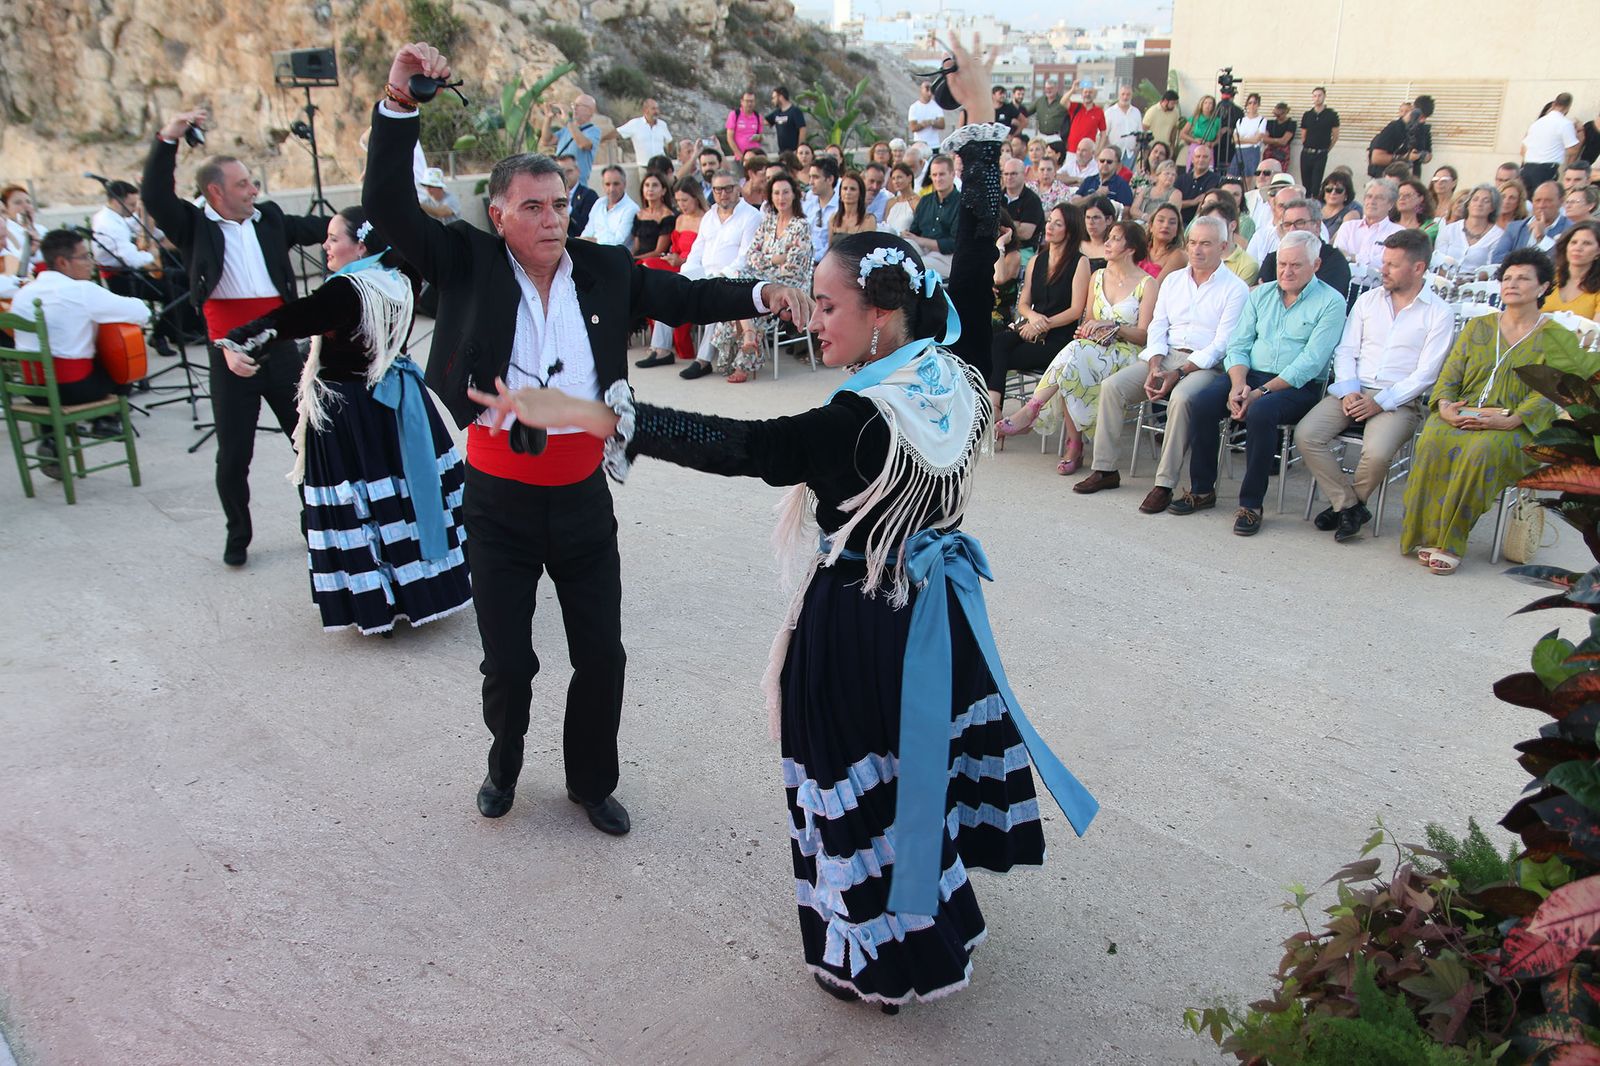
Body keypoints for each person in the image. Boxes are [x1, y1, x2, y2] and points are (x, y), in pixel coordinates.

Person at [467, 42, 1097, 1008]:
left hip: (859, 622)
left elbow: (737, 445)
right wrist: (976, 127)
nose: (818, 322)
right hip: (935, 607)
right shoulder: (954, 368)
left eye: (832, 305)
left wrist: (597, 416)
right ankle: (932, 929)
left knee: (856, 784)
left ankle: (879, 962)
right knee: (913, 771)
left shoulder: (852, 423)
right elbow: (973, 255)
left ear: (883, 315)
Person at [366, 41, 813, 831]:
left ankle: (589, 782)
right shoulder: (465, 261)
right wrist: (401, 103)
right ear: (497, 213)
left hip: (579, 499)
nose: (551, 219)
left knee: (601, 655)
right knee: (509, 662)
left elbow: (681, 295)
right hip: (497, 500)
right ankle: (503, 764)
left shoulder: (604, 269)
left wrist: (760, 289)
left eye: (559, 203)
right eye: (532, 207)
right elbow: (391, 207)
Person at [218, 206, 471, 635]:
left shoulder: (349, 290)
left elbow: (292, 318)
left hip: (351, 412)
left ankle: (384, 603)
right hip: (396, 401)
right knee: (408, 493)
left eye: (335, 238)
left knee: (364, 503)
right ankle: (424, 589)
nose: (326, 245)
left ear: (361, 245)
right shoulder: (398, 275)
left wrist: (238, 340)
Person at [141, 108, 328, 567]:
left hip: (281, 347)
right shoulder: (193, 225)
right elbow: (154, 195)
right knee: (233, 455)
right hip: (230, 351)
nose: (253, 190)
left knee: (309, 442)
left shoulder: (270, 219)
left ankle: (318, 523)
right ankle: (237, 534)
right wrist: (169, 138)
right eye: (243, 184)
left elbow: (324, 227)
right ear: (215, 191)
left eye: (252, 182)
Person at [1401, 248, 1594, 574]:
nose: (1512, 284)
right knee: (1433, 436)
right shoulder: (1478, 327)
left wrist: (1515, 417)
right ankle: (1427, 533)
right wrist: (1445, 407)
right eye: (1507, 278)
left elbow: (1553, 392)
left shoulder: (1556, 337)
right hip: (1464, 413)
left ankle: (1451, 541)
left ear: (1544, 286)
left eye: (1523, 278)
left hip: (1519, 427)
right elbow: (1450, 375)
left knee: (1482, 449)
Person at [1072, 214, 1250, 512]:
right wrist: (1155, 363)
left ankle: (1164, 484)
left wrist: (1179, 372)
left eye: (1205, 244)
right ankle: (1105, 469)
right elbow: (1157, 326)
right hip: (1164, 355)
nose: (1197, 250)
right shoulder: (1174, 280)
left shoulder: (1235, 289)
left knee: (1180, 397)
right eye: (1192, 243)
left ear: (1223, 246)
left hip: (1205, 364)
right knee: (1113, 386)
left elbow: (1222, 344)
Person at [1174, 231, 1345, 535]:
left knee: (1261, 412)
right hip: (1249, 375)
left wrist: (1260, 392)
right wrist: (1238, 384)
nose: (1286, 272)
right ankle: (1202, 489)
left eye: (1295, 265)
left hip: (1295, 386)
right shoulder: (1260, 295)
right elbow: (1238, 345)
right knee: (1201, 402)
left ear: (1316, 264)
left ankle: (1251, 504)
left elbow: (1311, 362)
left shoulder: (1331, 302)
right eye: (1282, 264)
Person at [1295, 229, 1459, 542]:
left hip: (1399, 400)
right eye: (1383, 262)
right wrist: (1348, 390)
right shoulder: (1368, 300)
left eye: (1392, 265)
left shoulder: (1439, 313)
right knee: (1307, 434)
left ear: (1418, 268)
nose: (1382, 269)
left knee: (1377, 453)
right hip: (1353, 389)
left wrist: (1380, 401)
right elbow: (1345, 351)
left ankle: (1345, 506)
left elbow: (1426, 374)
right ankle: (1350, 506)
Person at [996, 220, 1157, 474]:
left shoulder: (1148, 284)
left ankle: (1046, 422)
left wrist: (1114, 326)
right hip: (1095, 348)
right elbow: (1090, 320)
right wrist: (1091, 329)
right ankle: (1067, 439)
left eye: (1115, 238)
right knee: (1076, 355)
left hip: (1127, 352)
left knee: (1074, 356)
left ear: (1131, 248)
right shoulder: (1098, 276)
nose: (1107, 242)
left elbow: (1144, 335)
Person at [10, 229, 150, 453]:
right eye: (84, 257)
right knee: (123, 363)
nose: (91, 263)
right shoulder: (81, 291)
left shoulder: (24, 293)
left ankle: (52, 439)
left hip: (32, 390)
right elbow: (141, 312)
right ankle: (106, 419)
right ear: (63, 262)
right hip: (73, 389)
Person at [706, 172, 813, 382]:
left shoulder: (801, 225)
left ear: (794, 195)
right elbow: (752, 256)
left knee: (752, 295)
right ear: (770, 196)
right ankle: (750, 332)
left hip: (789, 283)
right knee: (737, 284)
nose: (781, 197)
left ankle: (746, 354)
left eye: (785, 192)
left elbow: (794, 265)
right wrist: (776, 258)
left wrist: (768, 259)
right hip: (763, 278)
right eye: (776, 193)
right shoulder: (768, 222)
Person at [985, 201, 1090, 411]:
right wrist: (1033, 318)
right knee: (997, 343)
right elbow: (1023, 303)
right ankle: (994, 408)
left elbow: (1076, 310)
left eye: (1058, 224)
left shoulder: (1080, 262)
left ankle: (993, 410)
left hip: (1058, 336)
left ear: (1070, 230)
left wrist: (1043, 324)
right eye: (1049, 221)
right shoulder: (1036, 260)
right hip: (1029, 328)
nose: (1049, 226)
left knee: (1000, 356)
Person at [677, 169, 765, 379]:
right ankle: (659, 349)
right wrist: (686, 273)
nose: (723, 194)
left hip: (732, 276)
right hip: (705, 271)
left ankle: (703, 360)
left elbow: (745, 257)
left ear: (738, 189)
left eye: (728, 188)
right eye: (718, 189)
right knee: (672, 285)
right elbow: (696, 251)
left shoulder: (751, 216)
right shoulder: (709, 216)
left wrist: (717, 277)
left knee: (713, 293)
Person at [634, 178, 707, 368]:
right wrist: (673, 257)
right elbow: (675, 247)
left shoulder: (706, 219)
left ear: (696, 198)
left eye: (685, 200)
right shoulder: (680, 219)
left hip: (696, 267)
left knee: (663, 287)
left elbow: (706, 253)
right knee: (647, 267)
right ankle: (659, 347)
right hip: (677, 263)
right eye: (678, 201)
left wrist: (681, 260)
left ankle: (661, 348)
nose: (681, 205)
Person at [1259, 198, 1352, 295]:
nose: (1292, 230)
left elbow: (1319, 298)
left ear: (1317, 226)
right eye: (1287, 224)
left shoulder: (1334, 260)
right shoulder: (1272, 259)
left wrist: (1273, 292)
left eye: (1300, 223)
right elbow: (1258, 293)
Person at [1334, 179, 1403, 281]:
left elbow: (1385, 263)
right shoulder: (1348, 227)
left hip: (1376, 288)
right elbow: (1337, 256)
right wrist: (1368, 260)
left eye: (1379, 198)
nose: (1372, 201)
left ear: (1391, 204)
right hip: (1343, 283)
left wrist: (1352, 257)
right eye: (1369, 196)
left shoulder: (1398, 232)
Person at [1432, 184, 1505, 273]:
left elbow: (1490, 270)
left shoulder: (1498, 236)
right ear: (1468, 204)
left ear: (1493, 208)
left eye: (1486, 201)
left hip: (1476, 284)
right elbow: (1438, 261)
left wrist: (1467, 281)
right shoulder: (1449, 230)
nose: (1479, 204)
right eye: (1475, 199)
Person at [906, 154, 960, 274]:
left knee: (915, 265)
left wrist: (921, 241)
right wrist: (908, 235)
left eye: (942, 174)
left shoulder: (961, 204)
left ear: (952, 174)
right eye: (934, 175)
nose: (938, 179)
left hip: (947, 256)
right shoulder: (925, 200)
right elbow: (915, 231)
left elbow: (955, 243)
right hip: (923, 249)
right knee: (902, 250)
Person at [1522, 93, 1580, 193]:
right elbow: (1573, 150)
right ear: (1568, 107)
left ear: (1554, 104)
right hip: (1546, 170)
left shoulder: (1537, 123)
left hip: (1527, 168)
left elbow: (1523, 150)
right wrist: (1578, 135)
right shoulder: (1565, 124)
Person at [539, 94, 602, 185]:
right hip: (560, 182)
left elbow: (583, 144)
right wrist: (548, 118)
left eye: (578, 106)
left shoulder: (594, 131)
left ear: (590, 111)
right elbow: (546, 141)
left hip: (578, 184)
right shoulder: (567, 129)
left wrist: (568, 121)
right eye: (574, 105)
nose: (574, 108)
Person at [1496, 181, 1569, 259]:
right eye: (1538, 200)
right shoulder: (1514, 228)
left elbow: (1563, 261)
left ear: (1561, 201)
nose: (1541, 205)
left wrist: (1542, 239)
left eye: (1548, 201)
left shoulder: (1570, 229)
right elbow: (1497, 257)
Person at [1544, 220, 1600, 318]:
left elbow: (1596, 331)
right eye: (1574, 242)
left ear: (1598, 252)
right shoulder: (1546, 278)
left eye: (1587, 243)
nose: (1577, 248)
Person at [579, 165, 638, 246]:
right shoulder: (599, 203)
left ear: (624, 184)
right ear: (603, 185)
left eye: (616, 184)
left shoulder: (631, 209)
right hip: (593, 252)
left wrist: (594, 241)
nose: (612, 189)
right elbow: (587, 232)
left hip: (616, 256)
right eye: (607, 184)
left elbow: (617, 242)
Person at [1299, 87, 1341, 195]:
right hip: (1306, 153)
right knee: (1305, 184)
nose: (1317, 98)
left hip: (1321, 154)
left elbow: (1335, 136)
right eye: (1315, 96)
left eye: (1319, 95)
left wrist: (1326, 149)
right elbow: (1303, 135)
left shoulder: (1331, 115)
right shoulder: (1307, 115)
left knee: (1316, 184)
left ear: (1324, 96)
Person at [1000, 156, 1044, 249]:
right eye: (1006, 174)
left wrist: (1000, 226)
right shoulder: (996, 198)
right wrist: (1015, 224)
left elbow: (1025, 234)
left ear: (1024, 175)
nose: (1009, 177)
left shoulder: (1032, 200)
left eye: (1013, 174)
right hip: (997, 247)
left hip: (1024, 249)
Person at [803, 156, 841, 264]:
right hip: (804, 262)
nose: (810, 182)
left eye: (815, 177)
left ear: (830, 179)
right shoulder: (807, 205)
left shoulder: (840, 209)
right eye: (810, 177)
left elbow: (832, 245)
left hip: (827, 263)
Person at [630, 170, 675, 260]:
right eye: (647, 185)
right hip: (637, 259)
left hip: (655, 261)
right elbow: (636, 247)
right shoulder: (640, 214)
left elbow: (659, 251)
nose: (650, 189)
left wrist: (634, 259)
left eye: (655, 185)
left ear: (663, 191)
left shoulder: (667, 216)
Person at [2, 185, 46, 275]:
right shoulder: (6, 233)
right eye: (18, 203)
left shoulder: (41, 229)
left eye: (28, 202)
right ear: (6, 209)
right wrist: (30, 251)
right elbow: (12, 264)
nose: (25, 206)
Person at [615, 98, 674, 166]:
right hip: (644, 166)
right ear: (645, 110)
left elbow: (669, 141)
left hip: (661, 166)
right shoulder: (635, 124)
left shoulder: (662, 124)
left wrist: (668, 157)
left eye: (657, 109)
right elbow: (617, 132)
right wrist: (602, 138)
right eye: (653, 109)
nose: (657, 111)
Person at [827, 171, 876, 247]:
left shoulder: (868, 220)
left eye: (852, 189)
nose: (848, 192)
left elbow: (869, 250)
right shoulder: (834, 218)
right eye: (845, 188)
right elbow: (830, 249)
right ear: (840, 193)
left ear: (860, 193)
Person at [558, 154, 599, 237]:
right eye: (561, 172)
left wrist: (567, 207)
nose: (565, 176)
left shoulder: (589, 195)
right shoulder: (552, 197)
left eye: (569, 171)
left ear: (578, 171)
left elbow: (585, 227)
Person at [1144, 202, 1187, 280]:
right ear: (1151, 226)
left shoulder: (1178, 256)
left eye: (1172, 222)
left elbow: (1157, 287)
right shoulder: (1141, 247)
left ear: (1177, 231)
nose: (1166, 225)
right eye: (1161, 220)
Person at [1064, 84, 1108, 157]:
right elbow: (1063, 102)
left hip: (1088, 153)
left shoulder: (1099, 112)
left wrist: (1098, 150)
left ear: (1094, 95)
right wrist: (1072, 90)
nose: (1088, 94)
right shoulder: (1075, 107)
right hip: (1072, 151)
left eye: (1090, 92)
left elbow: (1103, 134)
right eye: (1085, 92)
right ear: (1082, 94)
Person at [1232, 93, 1268, 179]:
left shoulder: (1262, 120)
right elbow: (1234, 139)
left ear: (1258, 105)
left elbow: (1257, 139)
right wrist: (1249, 139)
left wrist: (1240, 139)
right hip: (1239, 151)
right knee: (1231, 177)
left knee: (1247, 179)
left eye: (1255, 103)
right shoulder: (1240, 120)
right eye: (1250, 103)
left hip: (1252, 151)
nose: (1252, 105)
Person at [765, 86, 806, 155]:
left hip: (794, 152)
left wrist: (799, 149)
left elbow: (802, 129)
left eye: (774, 98)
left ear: (780, 97)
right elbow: (764, 122)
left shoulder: (795, 111)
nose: (773, 101)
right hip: (782, 153)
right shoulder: (776, 113)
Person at [907, 81, 946, 152]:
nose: (929, 92)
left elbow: (942, 125)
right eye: (927, 89)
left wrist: (931, 122)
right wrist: (923, 124)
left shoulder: (937, 106)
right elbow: (913, 127)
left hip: (934, 145)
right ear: (921, 90)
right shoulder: (914, 107)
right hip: (919, 144)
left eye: (931, 89)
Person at [725, 90, 764, 158]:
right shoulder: (734, 115)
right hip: (741, 156)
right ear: (742, 102)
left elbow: (760, 136)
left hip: (755, 154)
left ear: (754, 102)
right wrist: (739, 154)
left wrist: (756, 137)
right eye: (747, 101)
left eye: (751, 101)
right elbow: (729, 138)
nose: (749, 103)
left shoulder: (758, 117)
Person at [1029, 78, 1067, 148]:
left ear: (1056, 88)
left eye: (1051, 88)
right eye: (1047, 88)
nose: (1048, 90)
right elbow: (1027, 112)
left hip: (1056, 137)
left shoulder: (1063, 101)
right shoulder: (1040, 101)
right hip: (1041, 136)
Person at [882, 163, 918, 236]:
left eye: (899, 177)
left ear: (909, 178)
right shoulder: (890, 202)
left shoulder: (917, 201)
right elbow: (885, 226)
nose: (896, 181)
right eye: (893, 178)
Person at [1181, 95, 1219, 162]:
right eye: (1206, 103)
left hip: (1208, 148)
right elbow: (1182, 134)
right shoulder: (1195, 118)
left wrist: (1212, 144)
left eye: (1210, 103)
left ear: (1213, 106)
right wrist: (1194, 140)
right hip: (1195, 147)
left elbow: (1219, 138)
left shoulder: (1217, 120)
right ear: (1201, 104)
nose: (1208, 105)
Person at [1144, 90, 1183, 157]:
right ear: (1165, 101)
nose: (1174, 106)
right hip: (1151, 147)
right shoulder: (1152, 111)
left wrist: (1172, 147)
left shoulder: (1175, 112)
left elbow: (1174, 130)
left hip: (1165, 148)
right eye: (1172, 103)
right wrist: (1145, 147)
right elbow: (1144, 128)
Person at [1080, 196, 1114, 272]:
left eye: (1096, 217)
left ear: (1109, 220)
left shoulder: (1114, 247)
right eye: (1087, 217)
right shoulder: (1077, 245)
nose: (1091, 222)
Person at [1263, 102, 1296, 172]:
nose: (1277, 117)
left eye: (1279, 115)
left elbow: (1284, 141)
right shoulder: (1270, 123)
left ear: (1285, 113)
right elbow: (1265, 139)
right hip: (1270, 151)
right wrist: (1278, 140)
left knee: (1280, 173)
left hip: (1282, 153)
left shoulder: (1291, 124)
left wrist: (1272, 140)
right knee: (1266, 172)